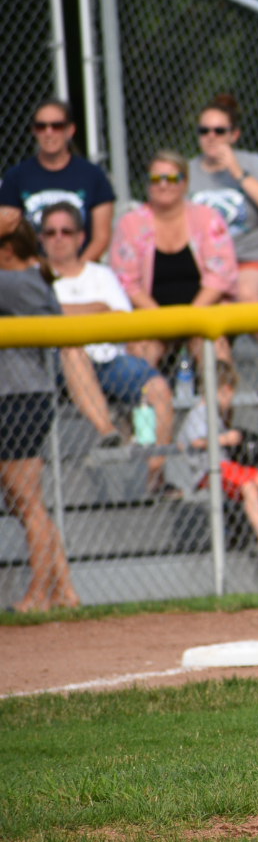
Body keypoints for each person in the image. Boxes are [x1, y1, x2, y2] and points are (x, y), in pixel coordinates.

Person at [41, 203, 177, 489]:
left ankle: (155, 475)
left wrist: (62, 311)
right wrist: (96, 308)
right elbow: (36, 316)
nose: (58, 238)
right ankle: (108, 432)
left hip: (110, 360)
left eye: (67, 231)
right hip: (56, 365)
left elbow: (120, 318)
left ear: (80, 237)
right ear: (41, 238)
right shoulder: (36, 276)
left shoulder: (100, 274)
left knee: (159, 390)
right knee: (73, 349)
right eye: (50, 232)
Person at [0, 222, 80, 611]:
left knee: (27, 500)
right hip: (21, 395)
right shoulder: (29, 279)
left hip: (19, 397)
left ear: (8, 251)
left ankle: (38, 595)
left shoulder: (15, 282)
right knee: (24, 501)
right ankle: (65, 590)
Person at [110, 151, 239, 370]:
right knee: (143, 354)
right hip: (152, 317)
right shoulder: (131, 224)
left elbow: (220, 276)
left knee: (214, 352)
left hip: (202, 312)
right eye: (156, 179)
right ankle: (148, 403)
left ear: (185, 183)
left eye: (171, 178)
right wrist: (163, 321)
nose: (163, 185)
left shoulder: (207, 218)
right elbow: (127, 282)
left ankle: (218, 403)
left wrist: (188, 319)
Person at [178, 361, 258, 552]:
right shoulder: (199, 413)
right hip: (211, 470)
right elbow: (196, 442)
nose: (230, 401)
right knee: (248, 486)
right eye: (230, 395)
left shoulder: (214, 414)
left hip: (226, 468)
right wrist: (226, 438)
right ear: (224, 390)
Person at [188, 93, 258, 303]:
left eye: (219, 131)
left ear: (234, 135)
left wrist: (239, 174)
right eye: (204, 131)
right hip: (204, 266)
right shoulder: (187, 172)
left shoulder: (254, 165)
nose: (211, 136)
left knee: (245, 291)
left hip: (254, 260)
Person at [0, 99, 116, 263]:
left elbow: (102, 237)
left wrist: (76, 271)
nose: (49, 132)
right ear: (34, 131)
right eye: (41, 126)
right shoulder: (16, 177)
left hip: (80, 269)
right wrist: (37, 271)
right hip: (32, 272)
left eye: (57, 126)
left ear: (70, 130)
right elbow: (6, 230)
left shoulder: (93, 176)